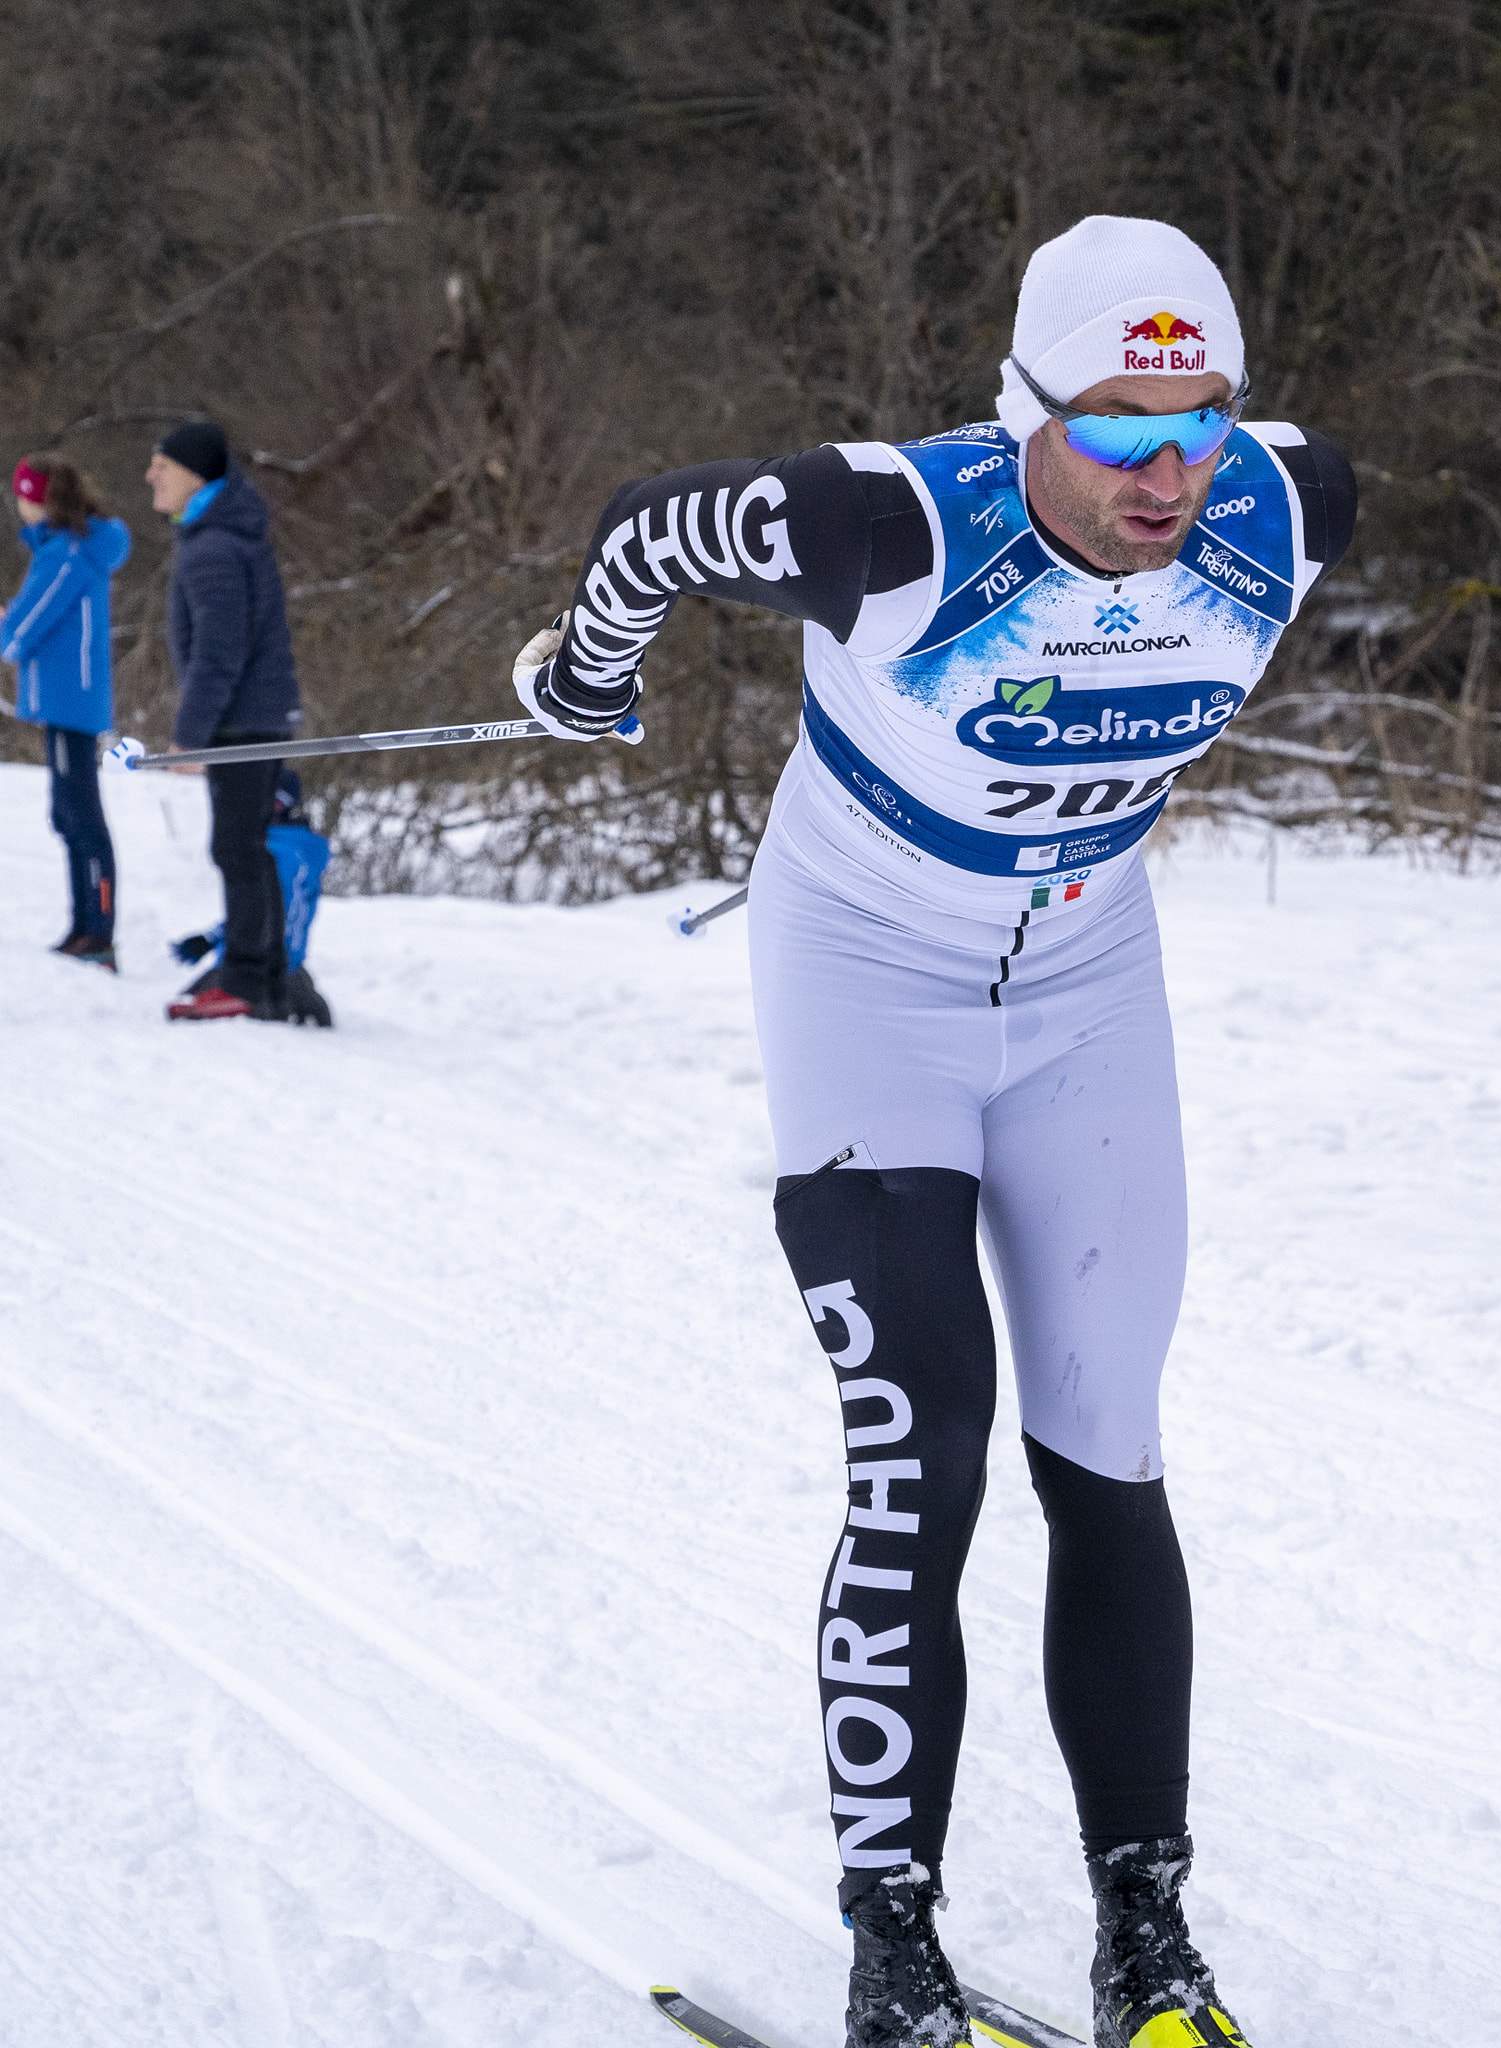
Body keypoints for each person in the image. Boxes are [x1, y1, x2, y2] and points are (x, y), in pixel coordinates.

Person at [512, 216, 1356, 2048]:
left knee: (1106, 1449)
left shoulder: (1286, 508)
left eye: (1201, 419)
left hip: (1085, 990)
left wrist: (1218, 457)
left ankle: (1149, 1938)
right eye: (1121, 426)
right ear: (1025, 410)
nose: (1167, 472)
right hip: (863, 981)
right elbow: (647, 528)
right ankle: (890, 1943)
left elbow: (1245, 476)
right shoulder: (888, 522)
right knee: (925, 1446)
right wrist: (585, 674)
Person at [147, 418, 302, 1022]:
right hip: (253, 716)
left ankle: (246, 977)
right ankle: (257, 970)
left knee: (238, 848)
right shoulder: (216, 536)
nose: (150, 476)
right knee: (245, 847)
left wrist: (191, 735)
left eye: (161, 466)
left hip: (245, 721)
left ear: (193, 474)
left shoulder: (213, 547)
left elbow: (219, 652)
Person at [3, 454, 131, 969]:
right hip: (64, 700)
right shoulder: (67, 551)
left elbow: (24, 628)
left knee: (80, 817)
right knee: (69, 814)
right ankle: (85, 927)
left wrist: (8, 629)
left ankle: (97, 933)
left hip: (68, 701)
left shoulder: (66, 555)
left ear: (37, 499)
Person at [170, 768, 334, 1026]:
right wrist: (212, 939)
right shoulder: (296, 849)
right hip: (286, 967)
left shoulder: (277, 853)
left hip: (258, 970)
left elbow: (265, 914)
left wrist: (215, 939)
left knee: (185, 1014)